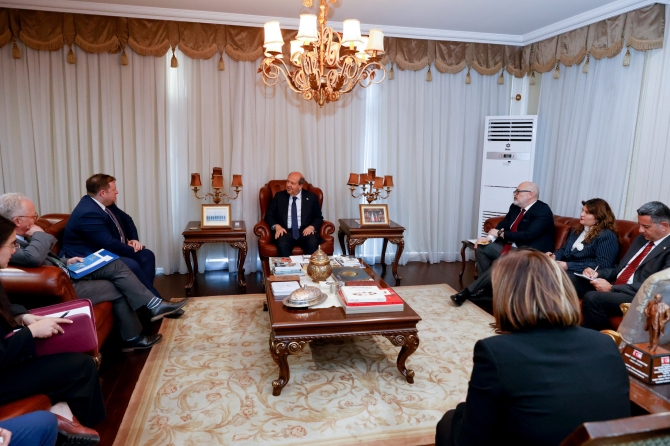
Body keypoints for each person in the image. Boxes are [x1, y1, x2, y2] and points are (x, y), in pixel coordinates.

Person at [436, 249, 631, 446]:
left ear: (506, 296)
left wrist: (461, 409)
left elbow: (469, 440)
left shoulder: (496, 352)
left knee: (448, 422)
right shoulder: (606, 343)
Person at [0, 193, 188, 352]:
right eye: (33, 216)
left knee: (114, 264)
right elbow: (32, 258)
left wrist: (66, 261)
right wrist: (39, 233)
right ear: (17, 220)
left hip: (66, 271)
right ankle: (141, 323)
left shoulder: (23, 236)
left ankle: (147, 313)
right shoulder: (6, 243)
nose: (35, 219)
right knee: (115, 286)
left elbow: (44, 258)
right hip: (61, 286)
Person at [0, 215, 106, 445]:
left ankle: (69, 419)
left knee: (74, 357)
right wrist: (31, 333)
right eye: (11, 244)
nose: (15, 250)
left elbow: (6, 305)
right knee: (82, 367)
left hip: (9, 358)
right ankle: (80, 431)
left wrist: (23, 316)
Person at [451, 181, 555, 305]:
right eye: (515, 191)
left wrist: (500, 234)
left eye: (518, 192)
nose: (514, 194)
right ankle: (487, 290)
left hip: (530, 254)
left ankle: (467, 292)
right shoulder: (515, 207)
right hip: (512, 248)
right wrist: (489, 238)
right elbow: (503, 224)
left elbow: (528, 235)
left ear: (530, 195)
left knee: (502, 263)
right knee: (481, 247)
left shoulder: (543, 211)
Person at [60, 174, 161, 298]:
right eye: (114, 189)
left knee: (146, 255)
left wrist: (133, 239)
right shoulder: (88, 212)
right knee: (131, 264)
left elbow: (127, 220)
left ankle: (146, 299)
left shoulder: (105, 204)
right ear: (103, 193)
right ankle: (154, 300)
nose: (117, 192)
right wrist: (131, 250)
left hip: (105, 250)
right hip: (85, 257)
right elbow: (108, 243)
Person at [574, 201, 670, 331]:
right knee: (570, 280)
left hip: (638, 295)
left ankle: (591, 339)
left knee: (593, 298)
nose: (640, 230)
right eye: (639, 225)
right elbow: (621, 268)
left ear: (664, 226)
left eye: (646, 226)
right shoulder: (641, 239)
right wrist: (598, 273)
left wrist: (612, 288)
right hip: (617, 285)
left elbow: (660, 285)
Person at [547, 198, 619, 274]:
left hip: (582, 274)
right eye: (582, 210)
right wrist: (553, 257)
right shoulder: (577, 230)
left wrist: (568, 265)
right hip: (567, 270)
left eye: (587, 212)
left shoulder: (606, 236)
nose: (581, 214)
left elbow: (603, 264)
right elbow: (564, 250)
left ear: (599, 216)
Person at [264, 172, 324, 257]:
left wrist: (311, 227)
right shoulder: (279, 197)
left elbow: (318, 217)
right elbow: (269, 215)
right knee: (282, 243)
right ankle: (288, 266)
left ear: (300, 186)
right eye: (288, 181)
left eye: (292, 183)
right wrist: (277, 226)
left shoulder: (311, 197)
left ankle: (308, 265)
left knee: (313, 242)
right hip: (285, 231)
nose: (288, 185)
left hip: (305, 231)